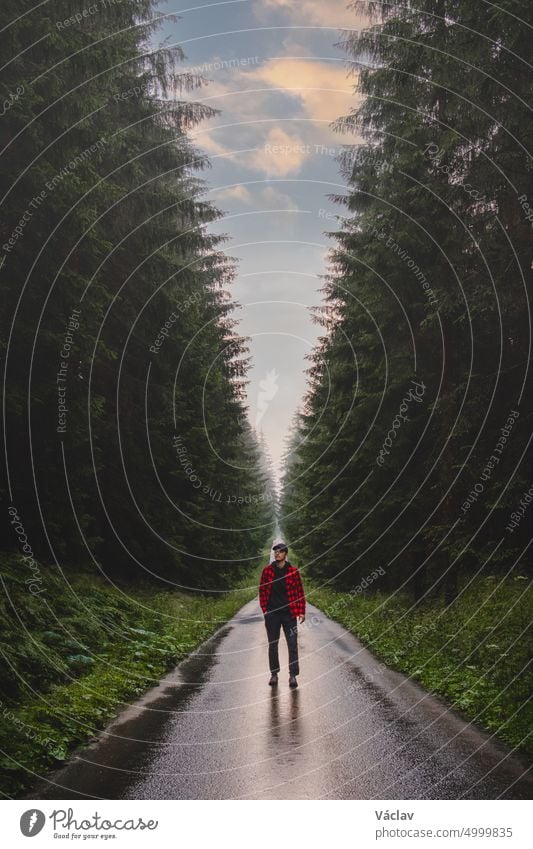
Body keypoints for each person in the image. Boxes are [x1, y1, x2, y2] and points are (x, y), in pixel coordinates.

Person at [259, 541, 306, 688]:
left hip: (289, 615)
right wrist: (265, 610)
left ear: (285, 554)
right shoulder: (267, 571)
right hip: (272, 614)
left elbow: (299, 593)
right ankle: (274, 674)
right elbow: (262, 590)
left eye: (279, 551)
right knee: (273, 645)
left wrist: (301, 612)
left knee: (292, 645)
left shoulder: (293, 571)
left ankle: (293, 676)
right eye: (275, 552)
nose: (276, 553)